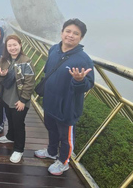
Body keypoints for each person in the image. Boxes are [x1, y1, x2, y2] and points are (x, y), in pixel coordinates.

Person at [34, 18, 94, 176]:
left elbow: (89, 84)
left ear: (81, 38)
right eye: (68, 31)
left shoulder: (83, 59)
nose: (71, 35)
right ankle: (51, 151)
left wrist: (79, 80)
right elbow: (48, 71)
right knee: (51, 129)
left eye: (76, 33)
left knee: (65, 137)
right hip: (50, 101)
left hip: (67, 107)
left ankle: (63, 162)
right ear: (61, 33)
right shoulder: (53, 49)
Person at [0, 35, 35, 163]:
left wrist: (23, 100)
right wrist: (2, 76)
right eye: (9, 46)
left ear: (20, 45)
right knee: (10, 119)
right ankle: (10, 136)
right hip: (7, 97)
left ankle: (19, 149)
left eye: (15, 45)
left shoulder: (26, 61)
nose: (12, 48)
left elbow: (30, 82)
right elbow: (0, 78)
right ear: (6, 48)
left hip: (19, 99)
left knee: (19, 124)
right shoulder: (4, 60)